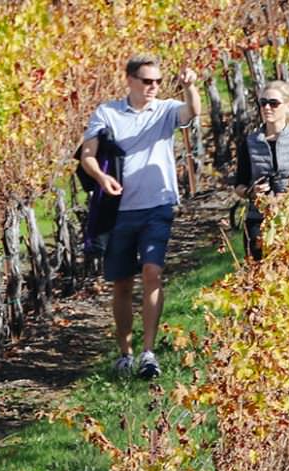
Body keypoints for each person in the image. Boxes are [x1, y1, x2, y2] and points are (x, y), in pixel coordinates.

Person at [79, 54, 200, 380]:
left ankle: (149, 351)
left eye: (158, 82)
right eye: (147, 81)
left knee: (152, 272)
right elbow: (87, 154)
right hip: (118, 210)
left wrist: (190, 88)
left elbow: (193, 112)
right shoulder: (108, 113)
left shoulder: (165, 110)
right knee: (121, 283)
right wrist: (102, 178)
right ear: (130, 80)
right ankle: (125, 353)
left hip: (157, 206)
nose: (154, 87)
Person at [233, 80, 289, 260]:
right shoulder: (249, 143)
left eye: (273, 103)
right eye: (263, 103)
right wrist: (251, 191)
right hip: (259, 219)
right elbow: (239, 184)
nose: (267, 108)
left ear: (287, 105)